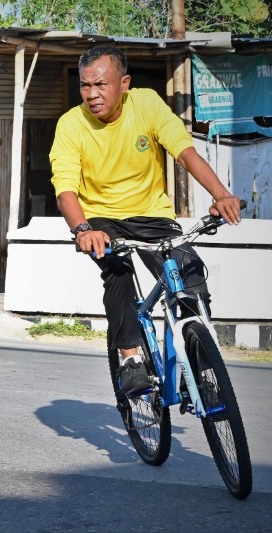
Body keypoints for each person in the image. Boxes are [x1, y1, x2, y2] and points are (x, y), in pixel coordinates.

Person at [49, 45, 242, 396]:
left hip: (151, 212)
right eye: (85, 86)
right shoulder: (71, 125)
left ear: (124, 83)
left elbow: (184, 151)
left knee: (188, 276)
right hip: (100, 218)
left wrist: (221, 194)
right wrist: (82, 230)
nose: (92, 94)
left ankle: (202, 366)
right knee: (118, 271)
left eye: (101, 84)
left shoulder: (147, 104)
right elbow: (65, 189)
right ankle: (130, 359)